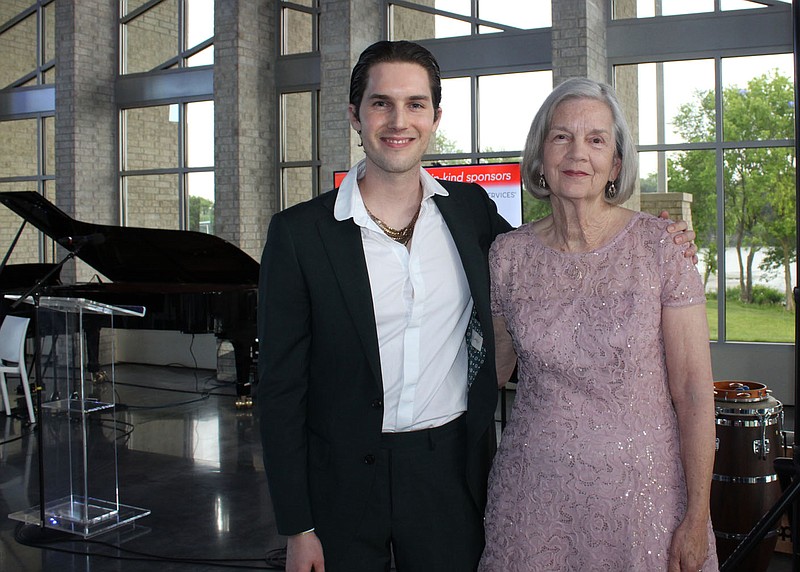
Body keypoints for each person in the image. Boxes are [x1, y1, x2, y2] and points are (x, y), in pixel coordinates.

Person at [258, 41, 697, 572]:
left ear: (436, 117)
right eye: (382, 103)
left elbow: (557, 265)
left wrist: (664, 240)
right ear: (355, 115)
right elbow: (280, 391)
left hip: (450, 475)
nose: (400, 120)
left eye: (416, 104)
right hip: (341, 483)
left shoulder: (471, 214)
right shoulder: (300, 235)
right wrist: (298, 526)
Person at [478, 77, 717, 572]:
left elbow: (694, 391)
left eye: (596, 139)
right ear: (540, 153)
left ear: (616, 164)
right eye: (561, 136)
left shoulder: (661, 248)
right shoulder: (508, 257)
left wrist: (697, 515)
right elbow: (490, 372)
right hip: (532, 502)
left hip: (643, 504)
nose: (576, 153)